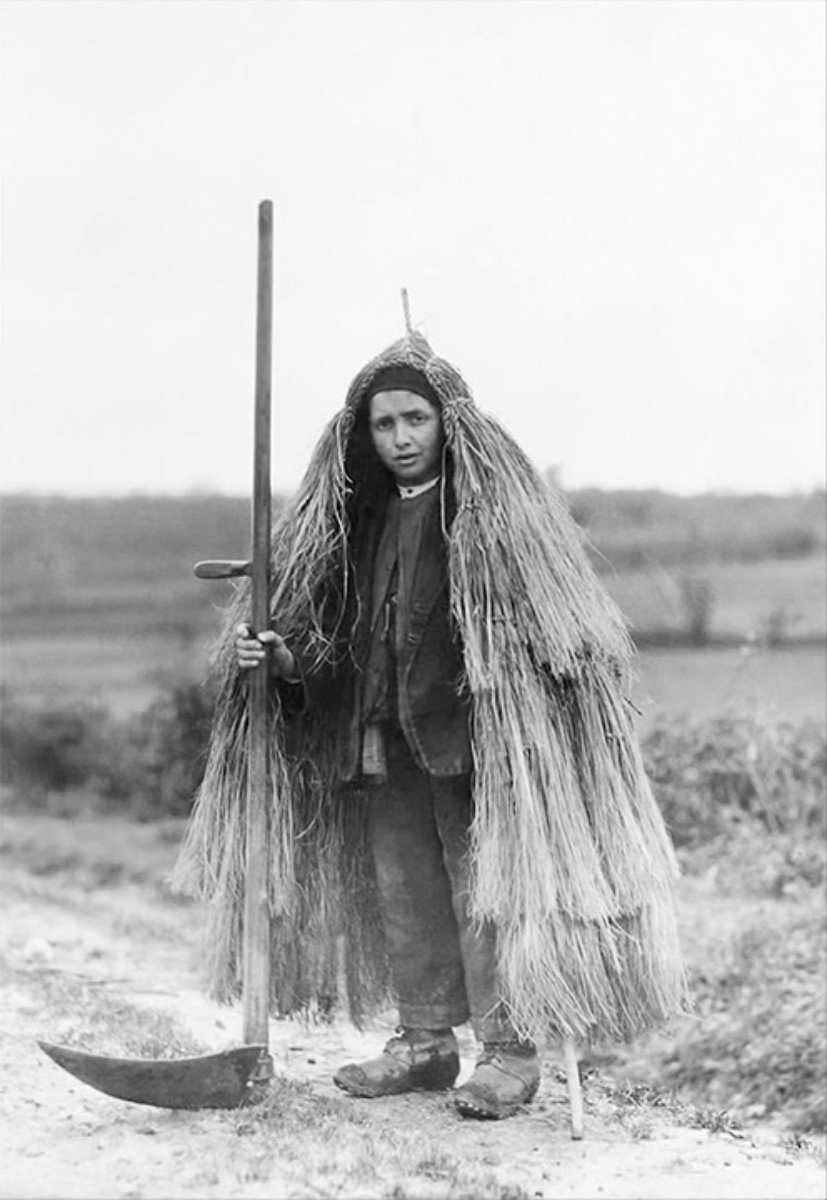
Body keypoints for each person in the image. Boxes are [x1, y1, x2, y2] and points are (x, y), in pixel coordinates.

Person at [174, 328, 686, 1121]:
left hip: (474, 744)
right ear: (364, 434)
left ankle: (509, 1053)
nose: (401, 438)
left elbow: (564, 639)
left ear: (446, 422)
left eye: (414, 419)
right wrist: (278, 660)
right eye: (384, 425)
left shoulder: (489, 525)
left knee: (483, 894)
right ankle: (422, 1044)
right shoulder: (359, 524)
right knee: (403, 890)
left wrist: (529, 700)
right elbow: (337, 642)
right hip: (380, 738)